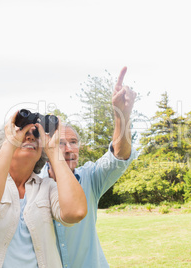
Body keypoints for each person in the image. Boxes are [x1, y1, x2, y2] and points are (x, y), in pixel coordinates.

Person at [0, 112, 87, 268]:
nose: (30, 137)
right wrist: (10, 143)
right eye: (23, 133)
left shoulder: (46, 187)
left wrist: (53, 151)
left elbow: (76, 212)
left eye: (36, 134)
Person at [39, 66, 138, 268]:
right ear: (46, 149)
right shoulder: (34, 185)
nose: (68, 149)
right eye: (60, 143)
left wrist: (121, 115)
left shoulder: (90, 178)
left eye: (73, 142)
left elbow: (119, 155)